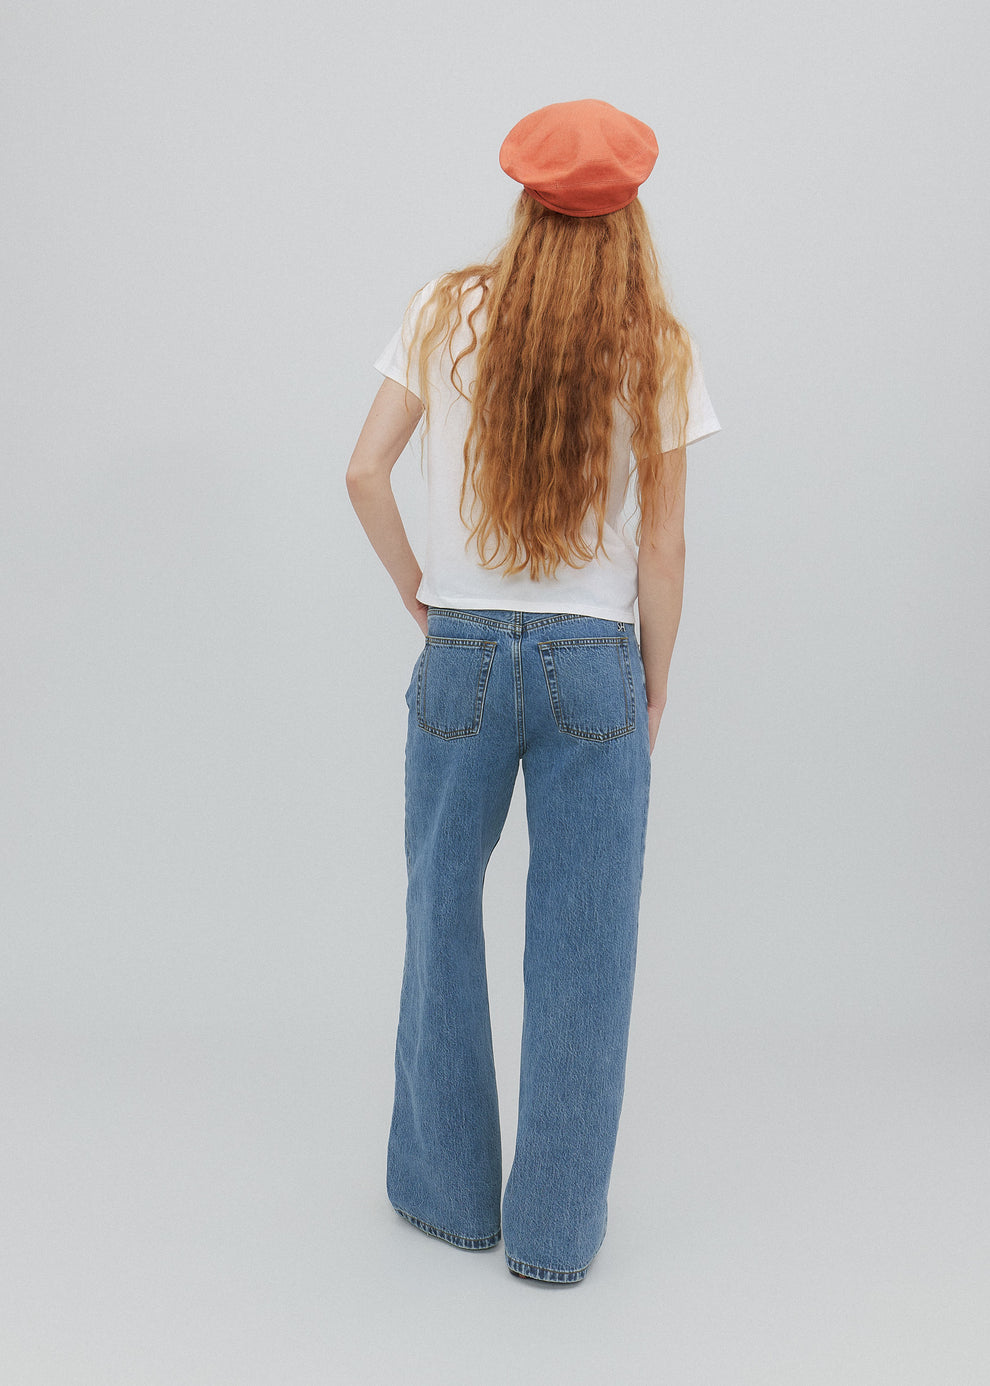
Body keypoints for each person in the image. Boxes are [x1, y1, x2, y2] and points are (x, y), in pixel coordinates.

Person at [346, 98, 721, 1285]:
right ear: (630, 217)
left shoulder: (444, 310)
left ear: (522, 197)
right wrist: (653, 683)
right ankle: (555, 1238)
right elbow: (661, 550)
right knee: (586, 946)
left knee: (437, 917)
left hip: (458, 656)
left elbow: (361, 473)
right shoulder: (655, 341)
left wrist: (425, 595)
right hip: (592, 668)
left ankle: (448, 1198)